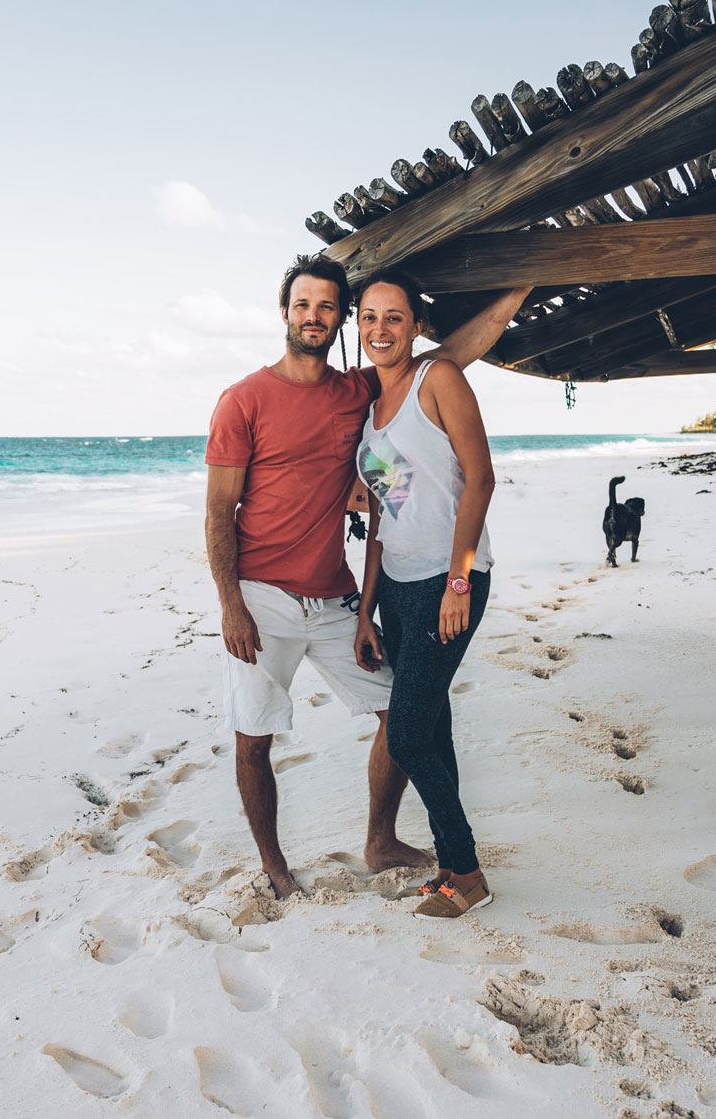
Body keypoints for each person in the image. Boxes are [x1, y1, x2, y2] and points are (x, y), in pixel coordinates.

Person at [204, 253, 525, 899]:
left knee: (404, 719)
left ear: (338, 319)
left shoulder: (374, 389)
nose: (314, 316)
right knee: (256, 734)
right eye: (303, 304)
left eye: (327, 306)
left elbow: (446, 364)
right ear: (286, 313)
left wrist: (521, 285)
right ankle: (274, 865)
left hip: (355, 595)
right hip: (276, 596)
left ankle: (396, 846)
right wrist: (230, 604)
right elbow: (222, 510)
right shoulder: (258, 401)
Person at [351, 268, 497, 918]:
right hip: (398, 587)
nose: (380, 329)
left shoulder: (438, 381)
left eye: (394, 317)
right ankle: (449, 867)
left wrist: (460, 578)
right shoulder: (369, 417)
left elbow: (480, 482)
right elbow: (388, 512)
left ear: (415, 327)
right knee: (430, 728)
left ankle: (464, 871)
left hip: (450, 579)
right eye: (370, 318)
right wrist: (365, 610)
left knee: (407, 735)